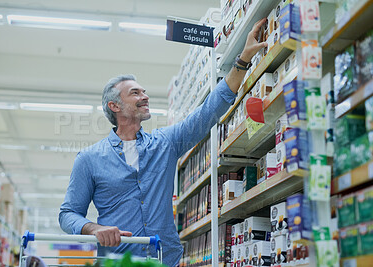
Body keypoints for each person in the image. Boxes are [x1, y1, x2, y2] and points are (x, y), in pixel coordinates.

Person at [59, 18, 268, 267]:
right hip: (118, 261)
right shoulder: (89, 159)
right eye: (135, 93)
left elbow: (209, 112)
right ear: (114, 106)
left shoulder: (164, 143)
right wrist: (93, 228)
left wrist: (243, 59)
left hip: (163, 259)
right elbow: (68, 213)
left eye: (144, 91)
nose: (145, 96)